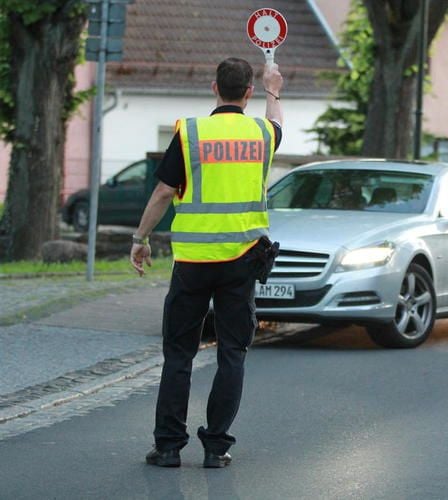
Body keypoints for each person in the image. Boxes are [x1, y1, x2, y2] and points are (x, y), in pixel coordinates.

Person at [129, 57, 283, 468]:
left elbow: (163, 192)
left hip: (194, 261)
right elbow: (277, 122)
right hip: (241, 263)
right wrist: (274, 88)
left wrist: (140, 238)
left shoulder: (191, 132)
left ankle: (167, 448)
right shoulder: (262, 134)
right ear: (247, 92)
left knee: (179, 355)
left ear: (213, 87)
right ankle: (216, 448)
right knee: (233, 353)